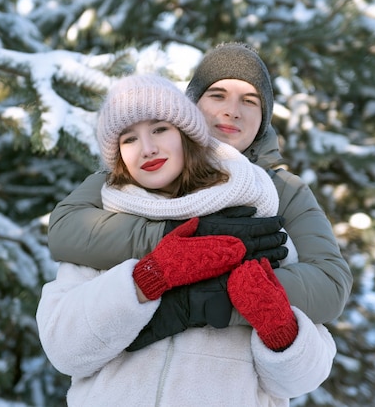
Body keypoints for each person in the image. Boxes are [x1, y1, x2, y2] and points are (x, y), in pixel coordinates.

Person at [36, 74, 336, 406]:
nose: (147, 148)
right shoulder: (109, 222)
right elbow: (64, 351)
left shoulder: (254, 224)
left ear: (187, 134)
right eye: (129, 139)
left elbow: (303, 378)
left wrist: (277, 326)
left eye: (160, 129)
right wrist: (148, 276)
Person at [47, 43, 353, 344]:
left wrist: (210, 298)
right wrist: (177, 236)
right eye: (217, 95)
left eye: (249, 101)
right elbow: (66, 229)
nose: (232, 111)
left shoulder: (284, 189)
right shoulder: (139, 171)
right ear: (190, 105)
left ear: (263, 119)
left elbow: (329, 283)